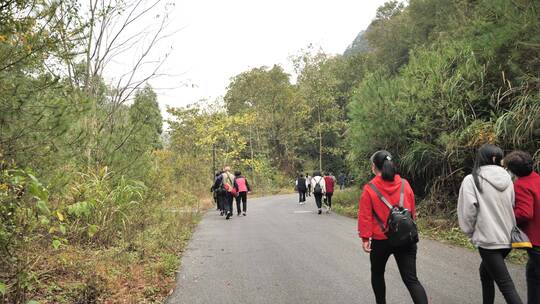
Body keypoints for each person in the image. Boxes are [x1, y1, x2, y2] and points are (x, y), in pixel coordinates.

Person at [357, 150, 428, 304]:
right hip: (406, 237)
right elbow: (412, 212)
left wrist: (365, 238)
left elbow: (365, 216)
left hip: (382, 240)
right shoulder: (404, 184)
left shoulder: (370, 188)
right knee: (411, 280)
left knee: (377, 273)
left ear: (374, 167)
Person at [458, 144, 523, 304]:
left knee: (506, 285)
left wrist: (470, 232)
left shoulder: (472, 179)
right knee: (485, 273)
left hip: (489, 241)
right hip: (508, 238)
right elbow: (513, 204)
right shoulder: (509, 178)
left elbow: (468, 211)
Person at [504, 150, 540, 304]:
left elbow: (525, 213)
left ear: (513, 171)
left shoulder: (521, 185)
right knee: (532, 274)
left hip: (537, 240)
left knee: (535, 277)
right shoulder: (537, 178)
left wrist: (508, 215)